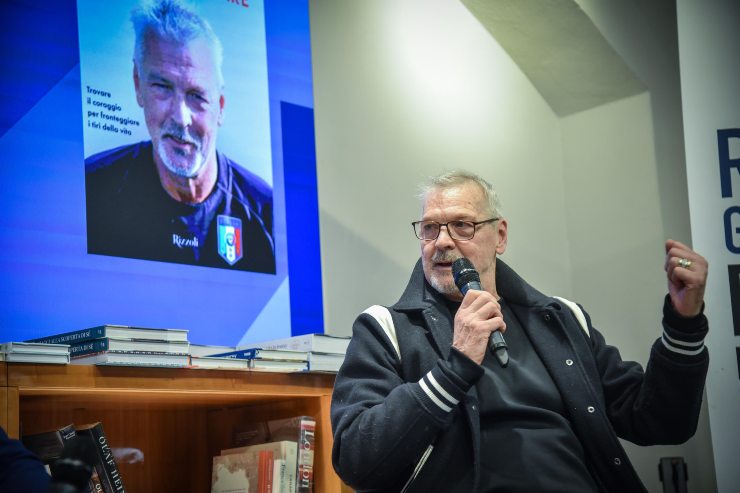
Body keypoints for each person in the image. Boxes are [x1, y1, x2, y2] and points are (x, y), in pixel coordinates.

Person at [331, 170, 709, 492]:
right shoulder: (386, 329)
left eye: (462, 225)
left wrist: (684, 321)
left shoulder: (561, 319)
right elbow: (356, 460)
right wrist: (454, 368)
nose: (442, 241)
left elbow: (660, 421)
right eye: (430, 228)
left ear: (500, 237)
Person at [85, 0, 275, 274]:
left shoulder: (266, 213)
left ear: (220, 106)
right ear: (138, 86)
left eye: (197, 96)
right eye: (162, 87)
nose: (180, 117)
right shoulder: (93, 189)